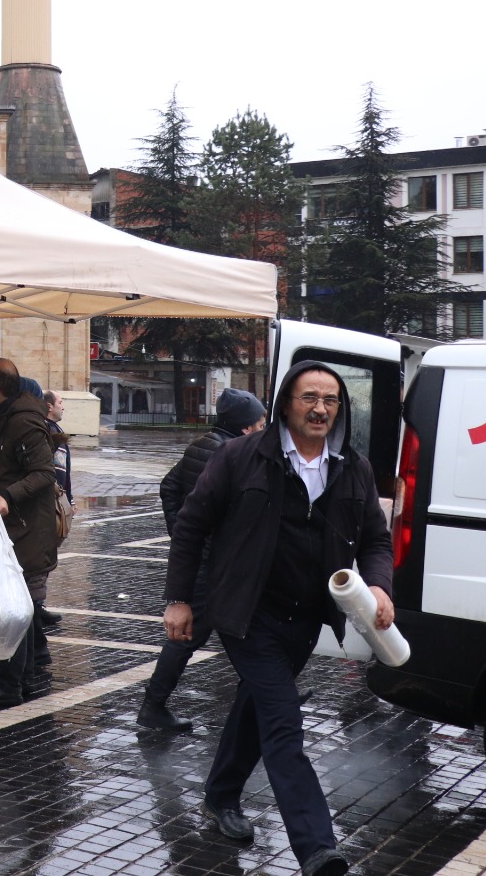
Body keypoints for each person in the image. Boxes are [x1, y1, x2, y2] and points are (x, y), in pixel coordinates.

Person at [163, 362, 395, 876]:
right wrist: (179, 598)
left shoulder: (352, 466)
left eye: (330, 400)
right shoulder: (240, 457)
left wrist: (378, 584)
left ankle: (220, 794)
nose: (320, 408)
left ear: (340, 408)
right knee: (283, 720)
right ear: (286, 403)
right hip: (247, 613)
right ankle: (317, 848)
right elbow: (191, 525)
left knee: (257, 703)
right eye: (309, 397)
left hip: (306, 617)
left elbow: (376, 538)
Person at [139, 387, 267, 731]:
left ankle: (270, 693)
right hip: (214, 565)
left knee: (244, 629)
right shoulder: (232, 453)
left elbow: (169, 486)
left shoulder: (201, 444)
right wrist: (192, 536)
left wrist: (181, 531)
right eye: (260, 423)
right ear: (245, 428)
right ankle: (153, 706)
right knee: (187, 637)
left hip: (207, 559)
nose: (264, 428)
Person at [0, 358, 57, 709]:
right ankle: (21, 673)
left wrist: (7, 495)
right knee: (16, 607)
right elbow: (0, 461)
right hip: (6, 530)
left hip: (22, 531)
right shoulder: (2, 416)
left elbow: (43, 472)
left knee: (13, 607)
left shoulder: (23, 421)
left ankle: (10, 684)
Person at [35, 389, 73, 629]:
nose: (63, 406)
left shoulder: (56, 430)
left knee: (49, 553)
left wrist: (71, 498)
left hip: (59, 499)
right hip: (51, 501)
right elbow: (55, 471)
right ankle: (36, 606)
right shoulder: (46, 430)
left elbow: (65, 469)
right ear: (49, 406)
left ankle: (39, 604)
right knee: (44, 554)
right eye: (60, 402)